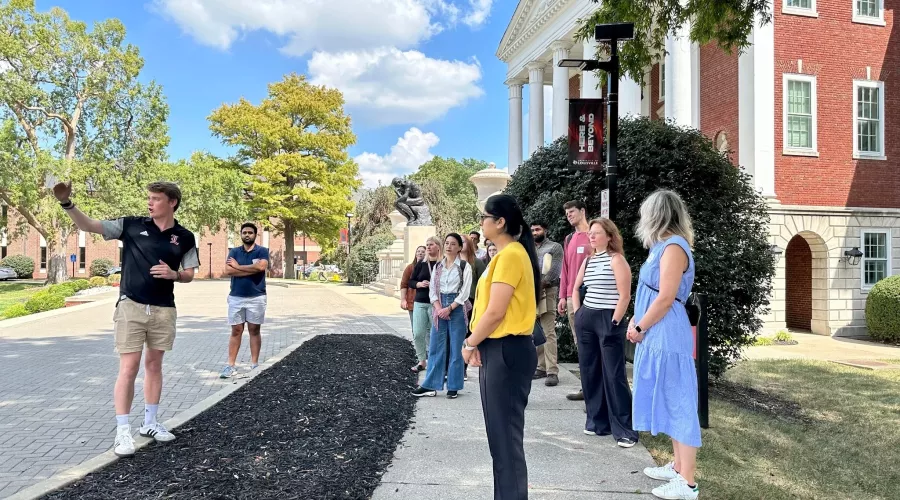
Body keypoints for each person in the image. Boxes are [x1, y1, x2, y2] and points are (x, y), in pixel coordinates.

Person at [53, 180, 199, 458]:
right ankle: (122, 431)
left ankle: (150, 423)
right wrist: (67, 203)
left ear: (172, 202)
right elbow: (89, 226)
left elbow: (190, 273)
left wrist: (174, 275)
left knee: (154, 365)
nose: (150, 202)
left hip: (164, 309)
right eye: (149, 198)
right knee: (129, 368)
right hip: (131, 306)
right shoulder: (131, 225)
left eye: (156, 198)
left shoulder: (185, 236)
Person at [462, 194, 540, 500]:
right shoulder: (508, 255)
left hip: (507, 350)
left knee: (505, 439)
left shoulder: (510, 256)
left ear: (500, 222)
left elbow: (495, 312)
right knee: (501, 438)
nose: (480, 223)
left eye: (484, 217)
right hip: (501, 350)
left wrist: (470, 342)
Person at [627, 190, 701, 500]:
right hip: (657, 332)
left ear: (657, 215)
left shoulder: (673, 247)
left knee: (680, 402)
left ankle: (688, 483)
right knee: (671, 400)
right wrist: (637, 320)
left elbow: (666, 297)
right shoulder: (662, 246)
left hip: (666, 333)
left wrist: (641, 324)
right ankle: (678, 467)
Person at [571, 218, 639, 448]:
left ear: (610, 236)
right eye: (591, 232)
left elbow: (625, 295)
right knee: (589, 371)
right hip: (587, 318)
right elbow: (575, 288)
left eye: (597, 233)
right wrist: (578, 313)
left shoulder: (616, 259)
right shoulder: (588, 261)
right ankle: (597, 421)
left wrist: (615, 320)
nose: (592, 236)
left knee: (613, 374)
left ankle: (625, 429)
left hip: (609, 319)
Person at [412, 233, 472, 398]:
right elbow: (433, 290)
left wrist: (449, 308)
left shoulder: (464, 266)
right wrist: (438, 308)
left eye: (453, 244)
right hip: (439, 306)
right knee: (436, 347)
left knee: (455, 348)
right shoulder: (438, 267)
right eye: (446, 243)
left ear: (459, 247)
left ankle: (453, 385)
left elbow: (465, 292)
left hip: (457, 307)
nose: (449, 246)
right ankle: (430, 385)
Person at [219, 223, 270, 379]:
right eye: (244, 232)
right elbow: (227, 271)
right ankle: (231, 366)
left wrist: (238, 267)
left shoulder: (262, 251)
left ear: (255, 234)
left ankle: (254, 364)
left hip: (257, 297)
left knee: (254, 330)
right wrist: (250, 268)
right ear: (240, 234)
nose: (247, 235)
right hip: (236, 297)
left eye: (250, 232)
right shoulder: (234, 252)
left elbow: (261, 268)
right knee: (236, 331)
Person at [557, 200, 591, 401]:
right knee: (580, 343)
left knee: (591, 343)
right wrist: (563, 296)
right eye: (567, 213)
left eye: (572, 212)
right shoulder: (569, 238)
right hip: (571, 298)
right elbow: (565, 269)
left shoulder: (594, 235)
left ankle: (595, 390)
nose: (569, 215)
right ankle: (585, 388)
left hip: (591, 297)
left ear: (582, 211)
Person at [530, 221, 563, 386]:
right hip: (531, 293)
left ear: (545, 230)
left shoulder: (555, 247)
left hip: (548, 291)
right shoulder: (528, 248)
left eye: (538, 229)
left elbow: (554, 272)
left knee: (548, 331)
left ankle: (552, 371)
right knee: (537, 331)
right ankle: (541, 367)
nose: (535, 232)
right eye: (532, 230)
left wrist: (537, 287)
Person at [408, 237, 441, 373]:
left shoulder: (443, 264)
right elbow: (411, 281)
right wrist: (419, 284)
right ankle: (421, 360)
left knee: (435, 334)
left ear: (438, 247)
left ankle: (434, 361)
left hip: (436, 303)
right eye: (426, 245)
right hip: (420, 301)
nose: (428, 247)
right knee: (418, 333)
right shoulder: (421, 264)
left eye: (431, 245)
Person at [460, 235, 487, 381]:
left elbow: (484, 283)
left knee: (467, 335)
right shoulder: (452, 262)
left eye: (463, 241)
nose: (460, 244)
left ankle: (463, 369)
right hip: (454, 304)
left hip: (471, 302)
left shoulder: (476, 262)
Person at [401, 246, 426, 330]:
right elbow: (404, 284)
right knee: (415, 327)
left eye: (423, 251)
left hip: (426, 301)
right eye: (418, 251)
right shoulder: (410, 268)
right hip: (412, 302)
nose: (420, 253)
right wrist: (403, 299)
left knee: (426, 328)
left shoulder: (429, 267)